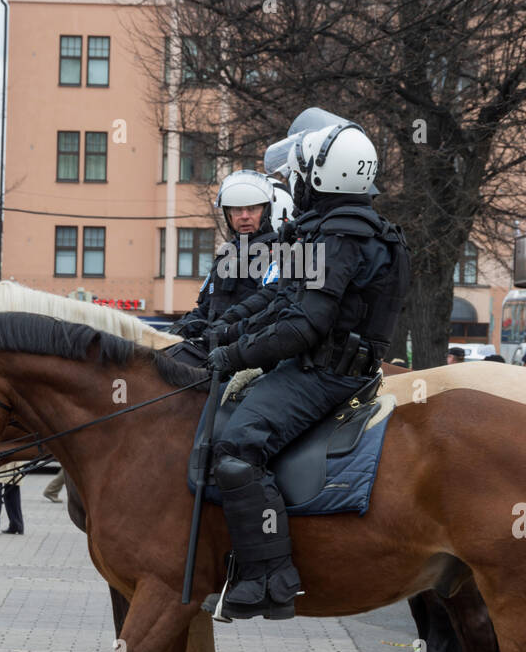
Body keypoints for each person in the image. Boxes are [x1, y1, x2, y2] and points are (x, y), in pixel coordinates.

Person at [203, 120, 410, 621]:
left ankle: (268, 577)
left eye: (298, 175)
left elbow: (303, 325)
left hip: (325, 372)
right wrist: (223, 327)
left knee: (237, 449)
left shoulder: (338, 238)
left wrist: (233, 357)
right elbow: (278, 297)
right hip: (331, 365)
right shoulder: (342, 230)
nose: (292, 186)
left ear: (319, 177)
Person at [172, 170, 286, 344]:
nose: (244, 216)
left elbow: (269, 301)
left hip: (254, 350)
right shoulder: (227, 253)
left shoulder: (278, 251)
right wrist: (177, 330)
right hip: (214, 346)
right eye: (237, 210)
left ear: (265, 211)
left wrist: (225, 325)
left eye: (252, 209)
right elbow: (207, 309)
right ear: (228, 215)